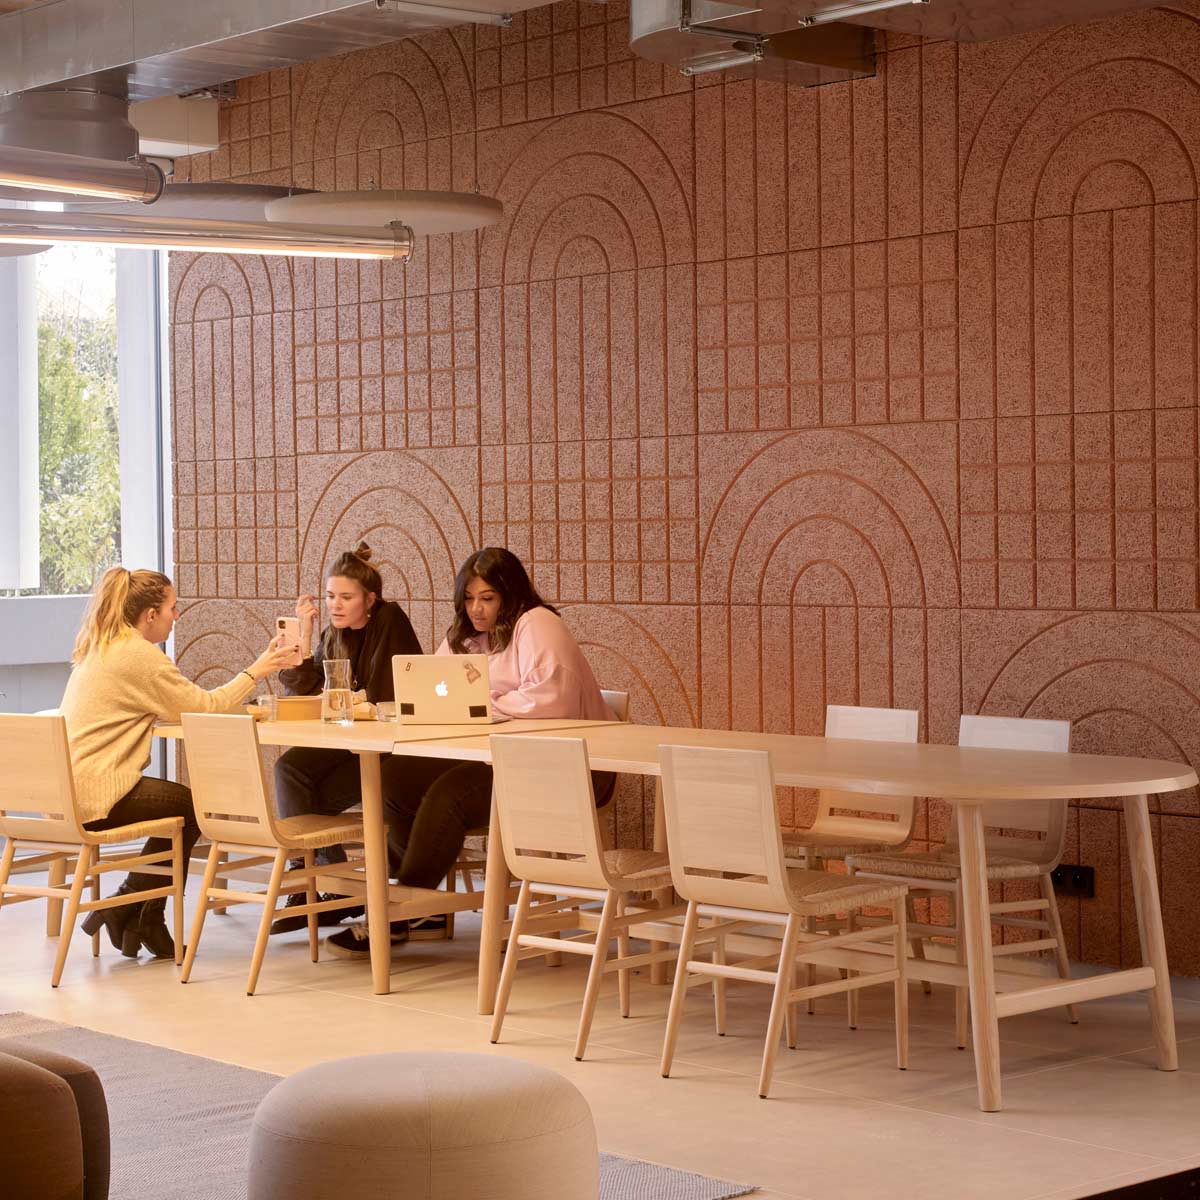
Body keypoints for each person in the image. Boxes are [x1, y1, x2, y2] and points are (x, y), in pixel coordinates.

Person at [326, 547, 615, 959]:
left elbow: (551, 700)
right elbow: (436, 685)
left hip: (566, 766)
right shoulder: (466, 635)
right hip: (498, 756)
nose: (476, 609)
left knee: (452, 794)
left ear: (510, 595)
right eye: (469, 598)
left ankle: (397, 911)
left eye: (488, 598)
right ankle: (419, 907)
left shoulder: (537, 623)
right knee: (395, 777)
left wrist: (484, 704)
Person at [60, 567, 295, 959]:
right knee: (190, 807)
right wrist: (258, 670)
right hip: (96, 791)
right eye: (172, 607)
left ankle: (137, 912)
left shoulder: (104, 645)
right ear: (150, 614)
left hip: (71, 787)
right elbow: (205, 706)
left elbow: (172, 707)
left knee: (183, 806)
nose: (176, 616)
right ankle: (133, 907)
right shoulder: (137, 655)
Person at [269, 541, 422, 934]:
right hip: (351, 745)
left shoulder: (389, 621)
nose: (335, 605)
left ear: (369, 599)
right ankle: (318, 881)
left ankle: (327, 886)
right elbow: (301, 692)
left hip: (392, 753)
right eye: (330, 596)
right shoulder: (334, 633)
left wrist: (345, 701)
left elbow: (389, 698)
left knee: (308, 797)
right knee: (290, 771)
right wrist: (302, 636)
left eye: (346, 597)